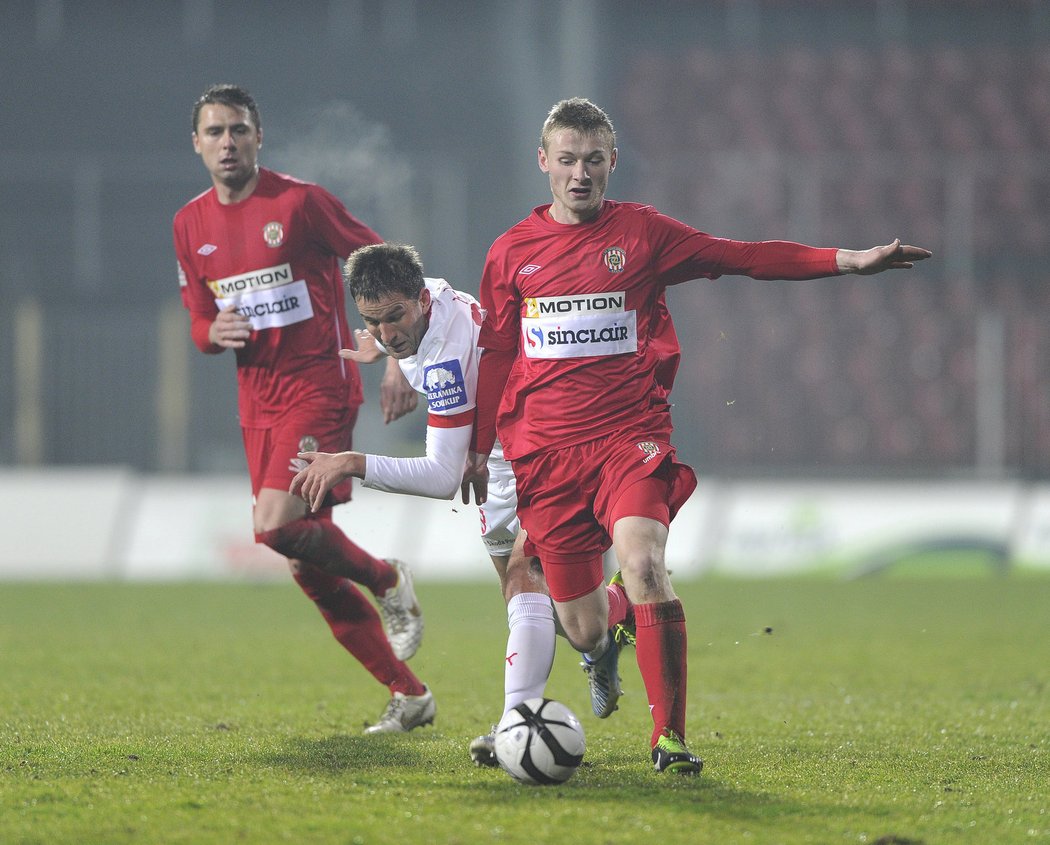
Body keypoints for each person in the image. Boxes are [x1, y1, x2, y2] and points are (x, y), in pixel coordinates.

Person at [466, 97, 932, 775]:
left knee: (646, 562)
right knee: (584, 628)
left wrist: (845, 260)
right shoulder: (511, 253)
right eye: (566, 160)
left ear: (612, 162)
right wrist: (479, 446)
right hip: (547, 454)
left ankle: (670, 737)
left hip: (629, 438)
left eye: (593, 160)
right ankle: (616, 624)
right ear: (543, 162)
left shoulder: (644, 233)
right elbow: (501, 353)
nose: (580, 174)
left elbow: (741, 256)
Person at [287, 243, 632, 765]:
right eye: (372, 322)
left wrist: (351, 462)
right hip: (494, 463)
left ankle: (516, 722)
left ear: (420, 301)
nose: (386, 332)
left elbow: (441, 476)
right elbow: (415, 332)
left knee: (527, 582)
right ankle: (604, 639)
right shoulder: (434, 302)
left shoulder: (445, 359)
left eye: (394, 318)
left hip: (537, 452)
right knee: (551, 612)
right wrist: (389, 359)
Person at [172, 84, 433, 735]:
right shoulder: (189, 226)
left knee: (274, 524)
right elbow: (198, 321)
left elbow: (385, 268)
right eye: (215, 132)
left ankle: (386, 575)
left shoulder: (301, 204)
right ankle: (409, 694)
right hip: (256, 400)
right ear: (197, 143)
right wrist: (214, 333)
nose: (227, 142)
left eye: (239, 130)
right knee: (304, 564)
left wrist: (397, 355)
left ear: (259, 137)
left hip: (320, 382)